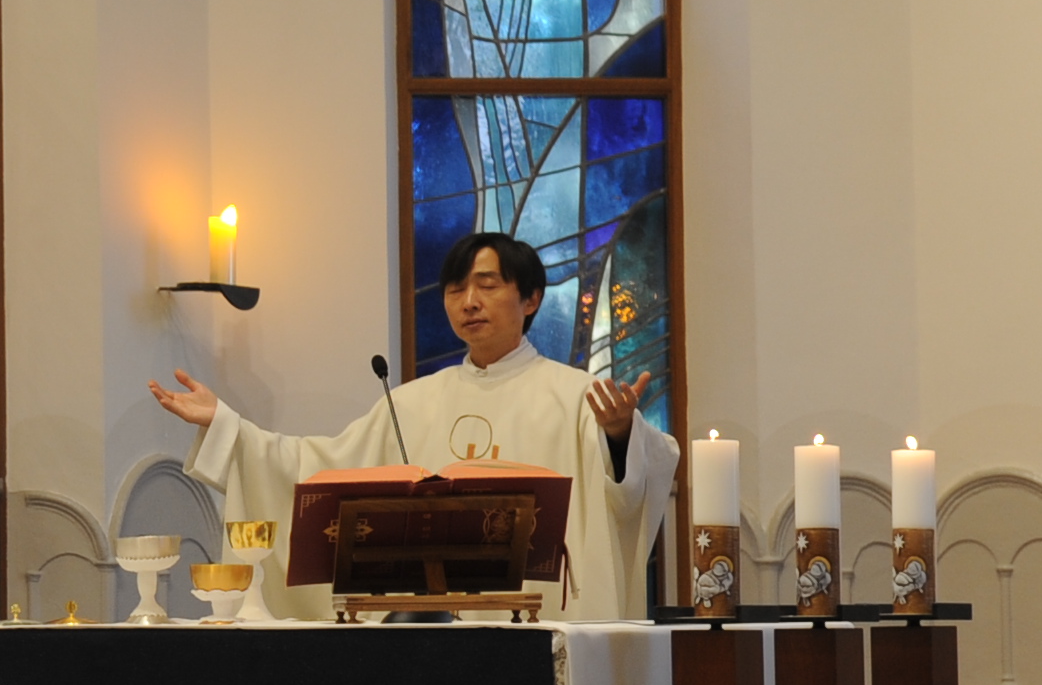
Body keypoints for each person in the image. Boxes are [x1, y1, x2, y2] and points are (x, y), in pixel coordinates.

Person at [149, 231, 673, 619]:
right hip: (425, 631)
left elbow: (637, 485)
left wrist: (619, 435)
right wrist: (229, 427)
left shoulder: (580, 397)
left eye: (487, 286)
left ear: (531, 298)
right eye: (455, 290)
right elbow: (320, 468)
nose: (468, 302)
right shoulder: (410, 402)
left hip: (538, 624)